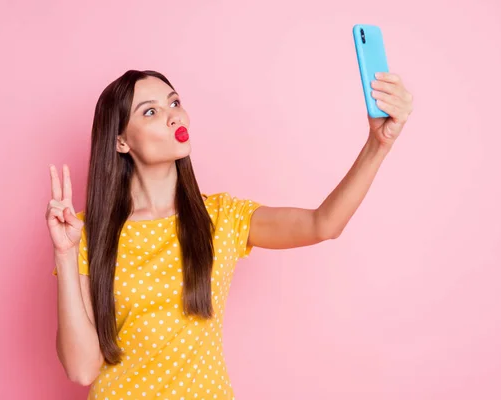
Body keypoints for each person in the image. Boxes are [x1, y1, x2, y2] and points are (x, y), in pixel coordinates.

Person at [47, 69, 413, 399]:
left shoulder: (222, 218)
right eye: (150, 111)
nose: (173, 114)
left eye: (174, 102)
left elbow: (323, 224)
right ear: (121, 142)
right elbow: (81, 369)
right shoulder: (87, 234)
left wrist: (377, 145)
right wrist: (65, 254)